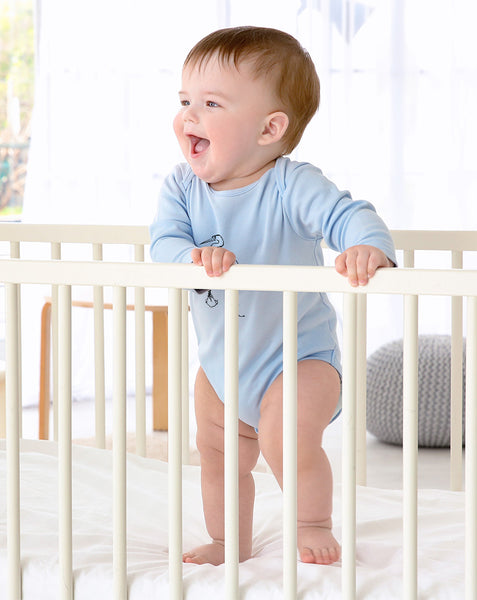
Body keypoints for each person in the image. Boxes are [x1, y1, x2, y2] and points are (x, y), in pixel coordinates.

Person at [150, 26, 396, 567]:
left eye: (210, 103)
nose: (189, 115)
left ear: (270, 128)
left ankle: (310, 521)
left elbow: (349, 214)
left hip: (299, 360)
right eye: (185, 101)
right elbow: (163, 244)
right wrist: (189, 259)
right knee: (216, 454)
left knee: (284, 436)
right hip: (221, 366)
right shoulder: (181, 188)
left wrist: (365, 247)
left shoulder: (291, 184)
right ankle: (225, 539)